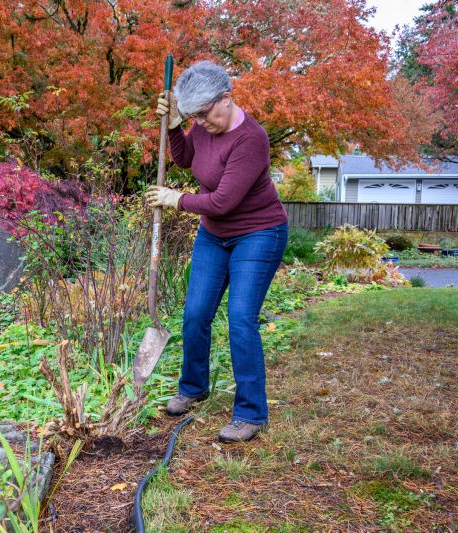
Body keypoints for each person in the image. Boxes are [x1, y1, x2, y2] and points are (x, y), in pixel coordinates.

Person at [146, 60, 288, 443]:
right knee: (195, 313)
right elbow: (186, 158)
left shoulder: (251, 139)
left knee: (241, 317)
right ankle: (193, 388)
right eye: (194, 116)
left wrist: (177, 199)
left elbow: (223, 200)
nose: (202, 123)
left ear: (227, 98)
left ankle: (251, 413)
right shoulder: (203, 124)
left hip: (259, 233)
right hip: (214, 235)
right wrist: (175, 124)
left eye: (205, 114)